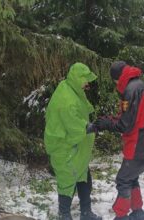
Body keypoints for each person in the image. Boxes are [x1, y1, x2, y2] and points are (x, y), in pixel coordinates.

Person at [91, 61, 144, 220]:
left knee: (123, 179)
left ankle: (121, 216)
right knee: (132, 177)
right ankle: (138, 213)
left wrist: (105, 123)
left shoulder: (130, 91)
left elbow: (125, 125)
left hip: (139, 142)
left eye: (114, 81)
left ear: (117, 78)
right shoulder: (140, 85)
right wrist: (112, 119)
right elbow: (132, 116)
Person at [44, 62, 102, 220]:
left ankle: (86, 212)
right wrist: (89, 127)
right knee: (67, 181)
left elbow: (82, 109)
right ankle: (64, 215)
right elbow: (73, 124)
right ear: (77, 78)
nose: (87, 83)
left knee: (84, 177)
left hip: (75, 146)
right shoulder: (67, 100)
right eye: (85, 79)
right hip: (64, 147)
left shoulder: (70, 87)